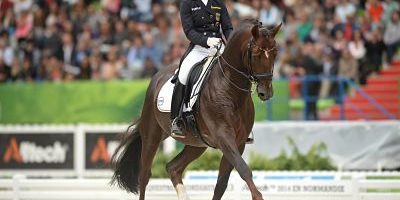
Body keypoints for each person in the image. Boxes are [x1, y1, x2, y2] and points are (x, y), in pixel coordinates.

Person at [171, 0, 233, 138]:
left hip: (219, 46)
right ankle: (176, 119)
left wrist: (231, 43)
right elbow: (189, 31)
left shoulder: (218, 2)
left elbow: (227, 28)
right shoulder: (187, 3)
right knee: (183, 74)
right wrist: (206, 41)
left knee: (236, 71)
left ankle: (244, 119)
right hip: (199, 48)